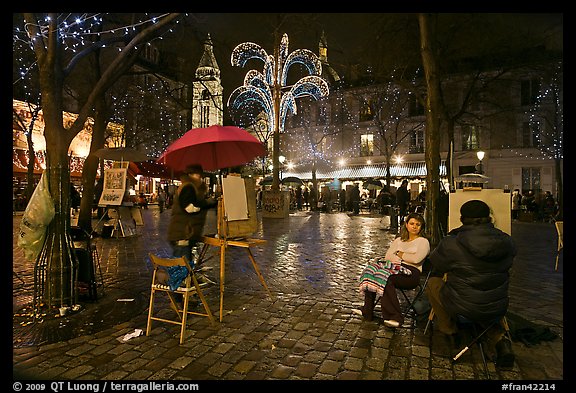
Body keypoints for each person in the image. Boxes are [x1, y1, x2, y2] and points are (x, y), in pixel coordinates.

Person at [425, 199, 516, 369]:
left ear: (462, 219)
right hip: (497, 306)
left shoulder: (452, 242)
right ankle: (500, 339)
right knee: (483, 296)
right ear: (489, 218)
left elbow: (436, 265)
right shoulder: (506, 241)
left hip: (463, 306)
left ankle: (450, 332)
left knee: (433, 284)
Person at [358, 212, 430, 327]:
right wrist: (404, 257)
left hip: (411, 274)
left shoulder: (423, 242)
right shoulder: (399, 240)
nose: (415, 226)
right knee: (371, 272)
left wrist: (399, 254)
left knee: (386, 279)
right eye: (412, 223)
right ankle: (367, 311)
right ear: (406, 225)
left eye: (418, 224)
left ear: (421, 227)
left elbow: (416, 259)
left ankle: (395, 317)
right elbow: (388, 257)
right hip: (393, 268)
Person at [167, 164, 217, 268]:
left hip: (186, 233)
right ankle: (179, 283)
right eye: (197, 174)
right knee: (181, 268)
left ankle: (183, 282)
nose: (200, 177)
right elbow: (190, 208)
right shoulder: (188, 187)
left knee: (184, 265)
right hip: (183, 234)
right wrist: (207, 203)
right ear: (190, 174)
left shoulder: (192, 187)